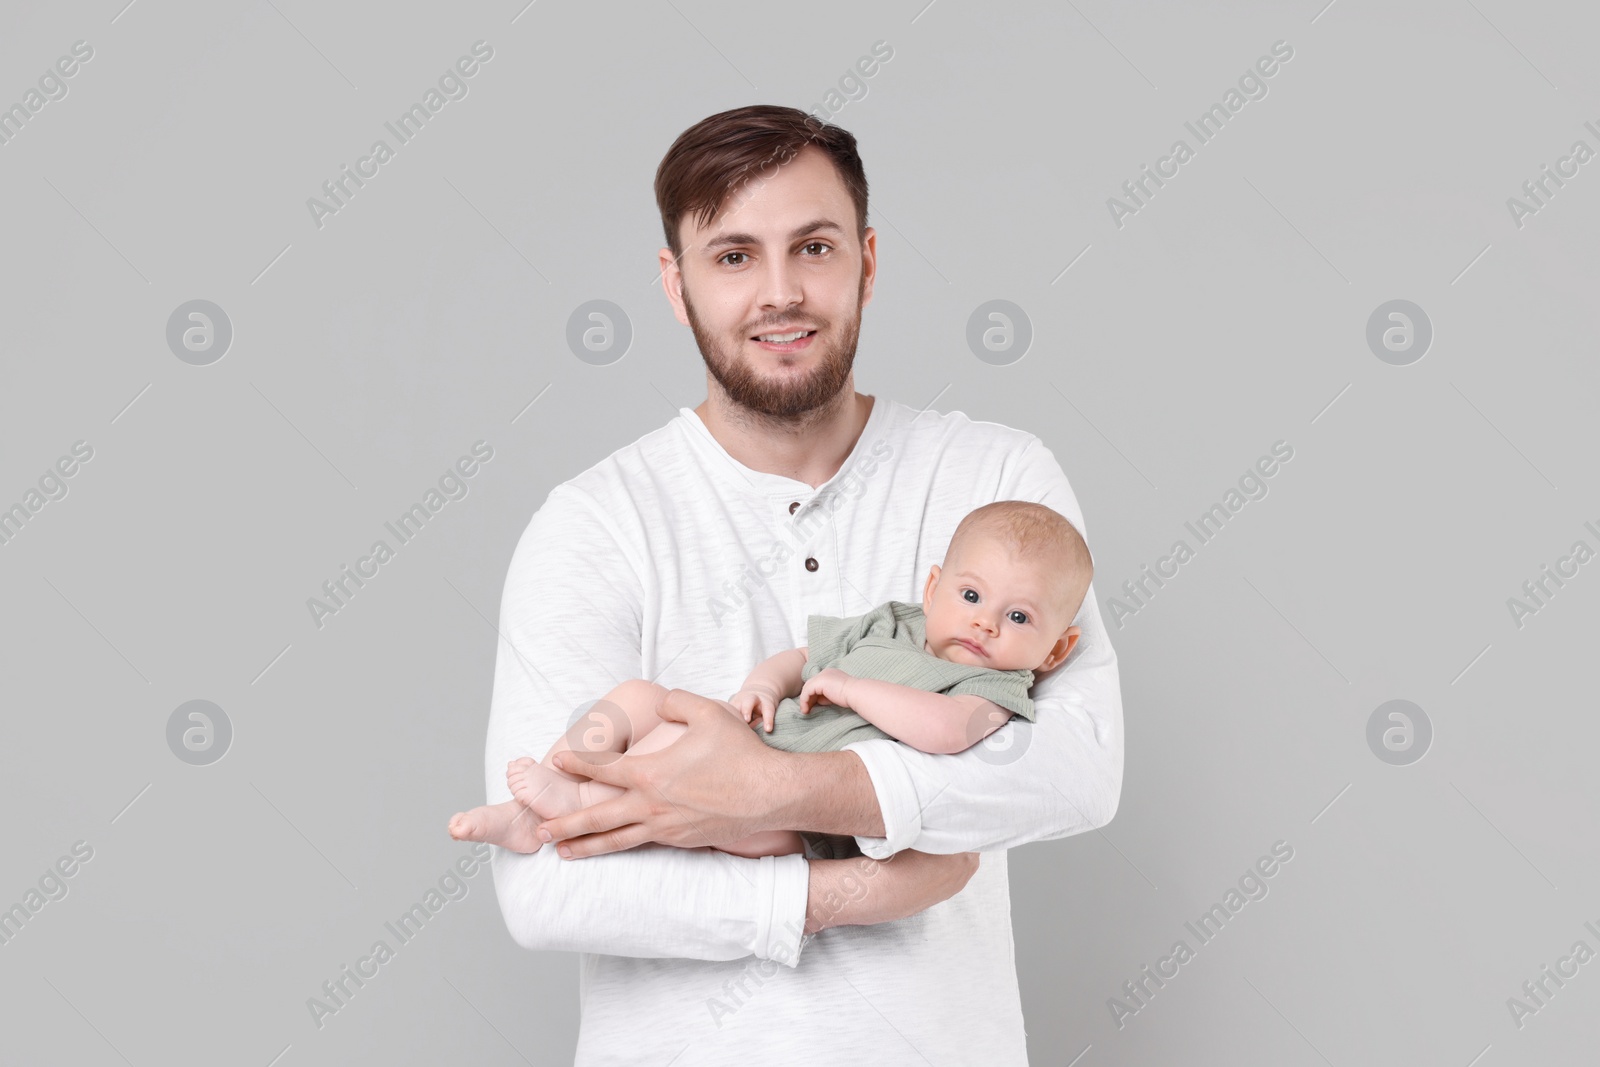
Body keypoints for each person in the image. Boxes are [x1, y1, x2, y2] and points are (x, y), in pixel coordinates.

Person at [480, 103, 1123, 1065]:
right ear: (675, 284)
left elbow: (1077, 772)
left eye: (812, 247)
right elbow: (549, 889)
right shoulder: (594, 525)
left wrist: (765, 791)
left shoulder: (994, 482)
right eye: (733, 256)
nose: (779, 292)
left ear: (866, 260)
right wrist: (842, 887)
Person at [451, 499, 1093, 860]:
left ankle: (576, 806)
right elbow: (799, 657)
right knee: (637, 700)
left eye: (1017, 617)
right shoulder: (890, 624)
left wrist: (848, 689)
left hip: (800, 816)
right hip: (754, 732)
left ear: (1055, 650)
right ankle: (558, 782)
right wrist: (763, 684)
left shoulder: (995, 691)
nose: (984, 625)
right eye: (971, 594)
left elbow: (946, 732)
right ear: (932, 588)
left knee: (746, 824)